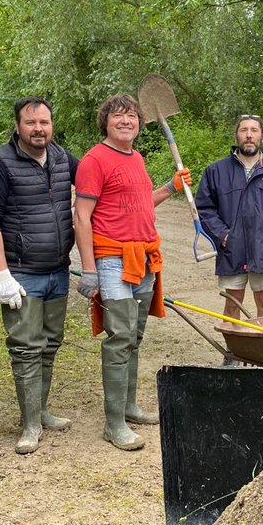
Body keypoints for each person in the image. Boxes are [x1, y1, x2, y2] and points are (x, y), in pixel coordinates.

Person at [73, 93, 191, 451]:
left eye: (132, 117)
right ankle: (113, 423)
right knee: (119, 336)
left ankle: (127, 406)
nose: (126, 121)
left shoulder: (136, 157)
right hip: (112, 260)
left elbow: (140, 203)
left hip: (144, 259)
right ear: (105, 122)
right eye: (118, 116)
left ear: (140, 123)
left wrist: (170, 187)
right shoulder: (94, 160)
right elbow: (82, 216)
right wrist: (89, 268)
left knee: (134, 336)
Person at [0, 97, 79, 454]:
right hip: (21, 272)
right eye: (31, 122)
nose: (39, 129)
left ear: (52, 125)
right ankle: (30, 424)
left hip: (58, 270)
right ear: (18, 126)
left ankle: (42, 410)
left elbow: (97, 188)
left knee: (50, 344)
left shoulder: (61, 157)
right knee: (25, 348)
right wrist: (1, 275)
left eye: (45, 122)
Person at [195, 114, 263, 319]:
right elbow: (205, 207)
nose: (249, 135)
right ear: (237, 136)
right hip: (231, 250)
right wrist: (223, 235)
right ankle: (232, 351)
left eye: (254, 131)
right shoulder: (216, 171)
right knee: (232, 306)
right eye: (244, 130)